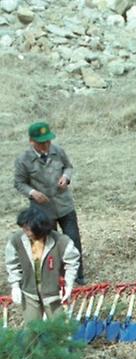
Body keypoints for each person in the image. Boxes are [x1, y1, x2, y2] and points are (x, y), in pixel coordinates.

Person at [14, 122, 85, 284]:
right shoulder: (23, 160)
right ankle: (56, 276)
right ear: (31, 141)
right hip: (42, 210)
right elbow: (19, 183)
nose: (46, 146)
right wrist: (32, 193)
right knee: (49, 243)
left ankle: (78, 275)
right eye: (41, 143)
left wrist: (66, 177)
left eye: (48, 141)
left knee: (73, 239)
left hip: (64, 205)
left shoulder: (58, 151)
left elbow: (68, 167)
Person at [5, 206, 80, 322]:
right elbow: (12, 264)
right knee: (33, 330)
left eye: (29, 229)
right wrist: (15, 285)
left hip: (54, 293)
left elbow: (72, 263)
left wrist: (68, 284)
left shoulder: (62, 242)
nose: (26, 232)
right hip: (29, 291)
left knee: (58, 328)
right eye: (24, 229)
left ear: (40, 229)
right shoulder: (16, 240)